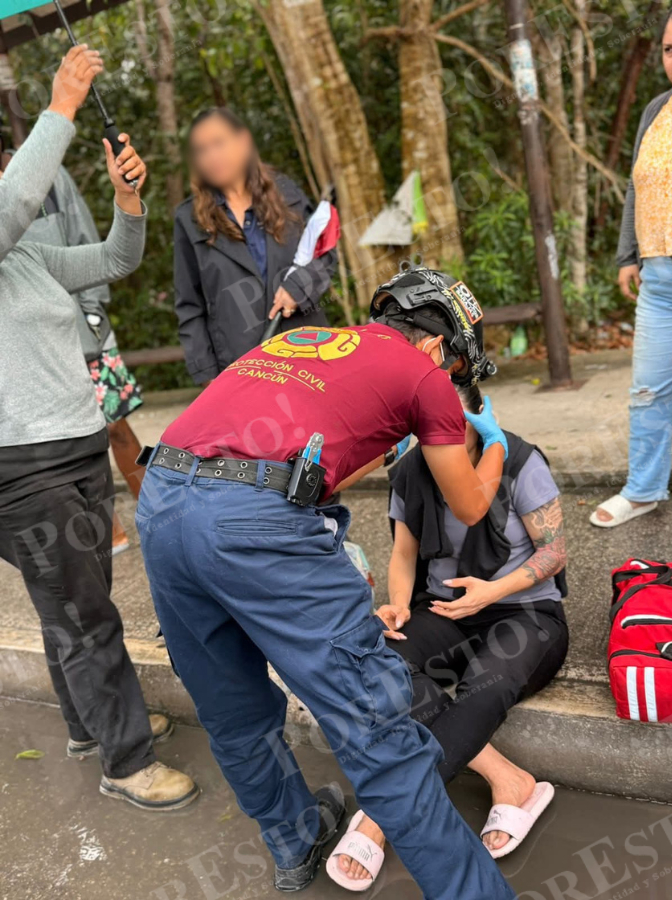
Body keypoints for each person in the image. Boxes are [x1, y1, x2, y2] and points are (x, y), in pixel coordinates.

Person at [135, 265, 516, 899]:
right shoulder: (424, 374)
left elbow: (309, 467)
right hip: (253, 524)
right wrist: (493, 441)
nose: (450, 379)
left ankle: (295, 840)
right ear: (434, 344)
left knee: (230, 706)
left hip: (163, 500)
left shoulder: (300, 341)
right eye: (453, 365)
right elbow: (471, 505)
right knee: (378, 729)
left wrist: (390, 445)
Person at [0, 46, 197, 811]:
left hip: (79, 448)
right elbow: (16, 197)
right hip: (23, 469)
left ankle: (91, 726)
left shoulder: (25, 256)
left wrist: (125, 197)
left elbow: (117, 258)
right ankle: (127, 760)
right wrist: (62, 104)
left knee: (74, 605)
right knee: (85, 616)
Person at [326, 383, 569, 890]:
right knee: (378, 664)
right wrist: (397, 603)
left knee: (486, 682)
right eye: (430, 427)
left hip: (525, 611)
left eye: (455, 425)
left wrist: (491, 592)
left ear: (480, 419)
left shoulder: (520, 461)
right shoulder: (412, 471)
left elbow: (553, 553)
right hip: (445, 608)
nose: (442, 437)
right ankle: (509, 779)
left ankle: (385, 815)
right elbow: (404, 554)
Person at [2, 138, 145, 554]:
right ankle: (108, 533)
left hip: (84, 329)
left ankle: (157, 512)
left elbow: (107, 253)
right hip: (27, 430)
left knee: (116, 424)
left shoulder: (48, 183)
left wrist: (125, 194)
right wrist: (63, 106)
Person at [174, 107, 337, 385]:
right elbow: (190, 306)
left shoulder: (286, 194)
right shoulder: (189, 219)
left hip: (306, 353)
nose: (212, 156)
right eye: (202, 150)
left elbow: (325, 254)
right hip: (240, 368)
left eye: (219, 143)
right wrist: (208, 378)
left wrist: (299, 287)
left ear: (243, 141)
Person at [592, 12, 672, 528]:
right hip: (659, 282)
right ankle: (644, 490)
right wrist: (629, 255)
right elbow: (635, 184)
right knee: (647, 391)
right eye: (668, 49)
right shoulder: (656, 109)